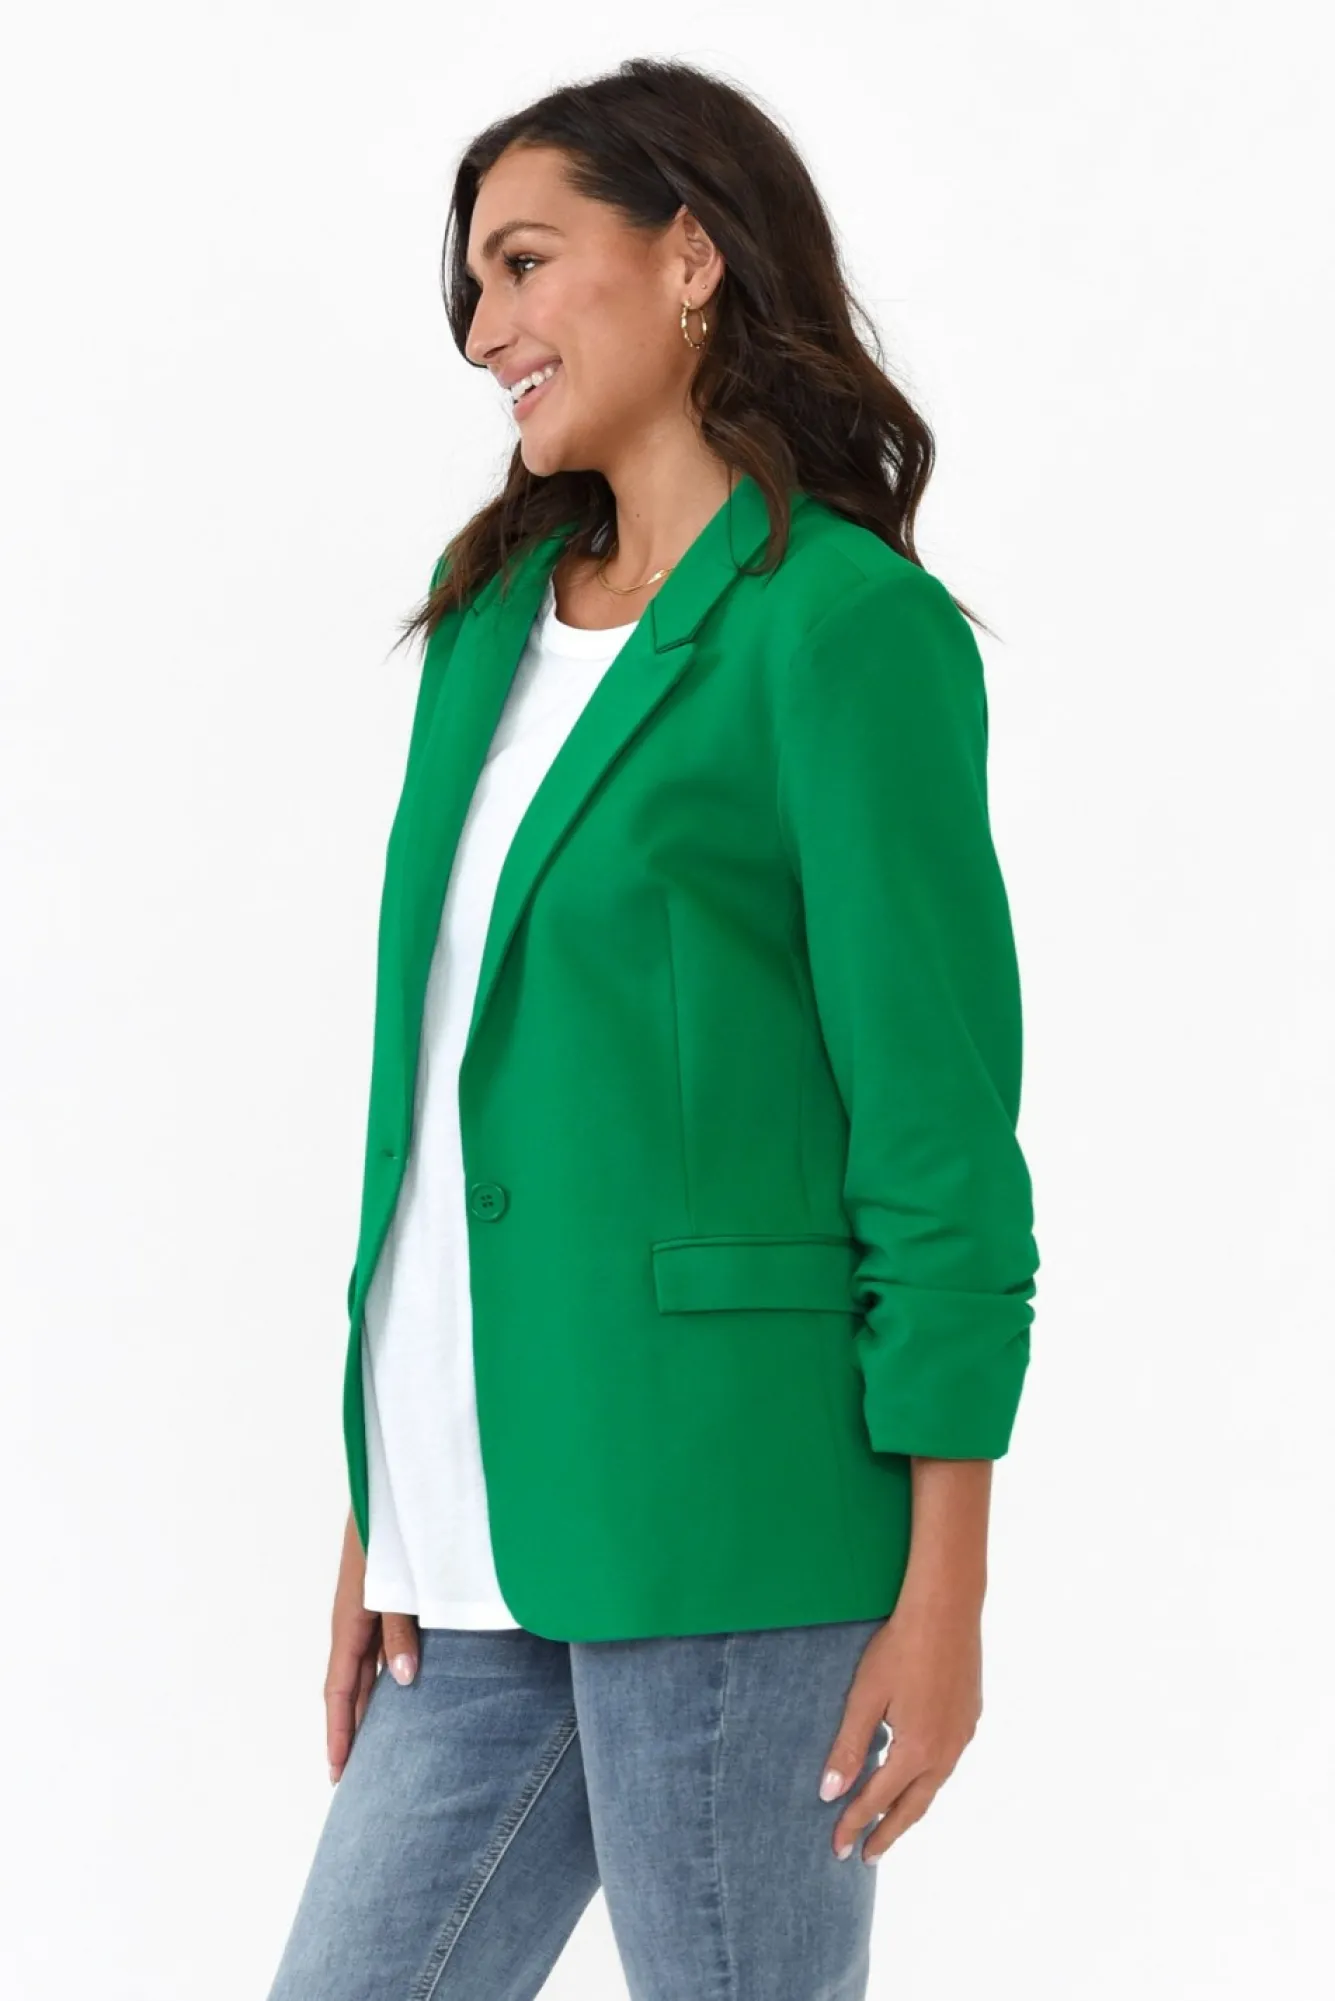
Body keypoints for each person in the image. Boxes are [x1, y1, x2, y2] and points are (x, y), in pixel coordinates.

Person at [266, 54, 1039, 2001]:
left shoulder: (835, 628)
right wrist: (383, 1500)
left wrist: (945, 1583)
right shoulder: (484, 626)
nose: (483, 331)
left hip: (731, 1521)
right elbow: (450, 1102)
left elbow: (936, 1129)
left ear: (688, 255)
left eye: (524, 263)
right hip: (473, 1543)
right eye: (468, 287)